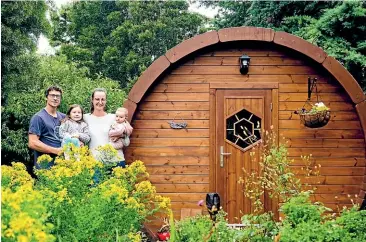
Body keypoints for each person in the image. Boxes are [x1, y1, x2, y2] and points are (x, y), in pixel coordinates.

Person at [28, 86, 65, 169]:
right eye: (52, 95)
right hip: (45, 167)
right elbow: (32, 143)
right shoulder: (38, 117)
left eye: (58, 96)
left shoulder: (64, 117)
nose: (55, 98)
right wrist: (55, 150)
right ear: (46, 97)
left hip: (63, 168)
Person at [84, 88, 116, 158]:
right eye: (97, 99)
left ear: (106, 101)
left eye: (103, 99)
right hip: (92, 161)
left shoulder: (113, 117)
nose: (100, 102)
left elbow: (126, 130)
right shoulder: (85, 118)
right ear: (92, 100)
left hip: (110, 160)